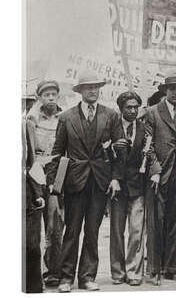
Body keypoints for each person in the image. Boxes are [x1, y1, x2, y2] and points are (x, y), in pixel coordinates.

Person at [46, 70, 123, 292]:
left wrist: (116, 178)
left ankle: (87, 276)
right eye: (88, 87)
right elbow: (57, 152)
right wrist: (53, 181)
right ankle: (65, 278)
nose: (93, 90)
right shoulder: (67, 117)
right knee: (71, 231)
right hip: (74, 181)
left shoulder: (111, 115)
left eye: (96, 86)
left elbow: (120, 150)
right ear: (80, 91)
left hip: (100, 180)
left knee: (92, 230)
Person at [144, 74, 176, 285]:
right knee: (156, 220)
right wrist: (154, 168)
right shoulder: (152, 113)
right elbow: (147, 145)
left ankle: (173, 267)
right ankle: (154, 268)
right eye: (172, 88)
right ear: (165, 90)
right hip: (158, 173)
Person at [26, 80, 63, 287]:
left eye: (53, 94)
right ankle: (31, 274)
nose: (50, 98)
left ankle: (53, 272)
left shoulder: (64, 118)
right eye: (46, 94)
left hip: (55, 173)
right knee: (32, 228)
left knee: (55, 225)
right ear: (40, 97)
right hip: (34, 174)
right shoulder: (31, 119)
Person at [108, 91, 147, 286]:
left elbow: (150, 154)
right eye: (128, 107)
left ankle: (133, 272)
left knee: (136, 230)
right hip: (117, 186)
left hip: (137, 187)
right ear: (121, 109)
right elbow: (102, 154)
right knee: (116, 231)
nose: (132, 111)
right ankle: (117, 272)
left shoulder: (144, 128)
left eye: (135, 107)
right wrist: (112, 147)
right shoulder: (111, 127)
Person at [23, 118, 46, 293]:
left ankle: (33, 289)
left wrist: (37, 192)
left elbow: (32, 163)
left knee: (32, 246)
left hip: (27, 191)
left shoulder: (28, 125)